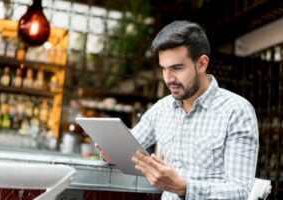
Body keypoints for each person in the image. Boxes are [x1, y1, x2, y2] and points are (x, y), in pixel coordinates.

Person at [98, 20, 259, 200]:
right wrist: (113, 154)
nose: (169, 79)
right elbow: (130, 148)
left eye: (177, 68)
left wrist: (184, 188)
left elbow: (241, 191)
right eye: (164, 69)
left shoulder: (237, 111)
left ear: (202, 64)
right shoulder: (162, 109)